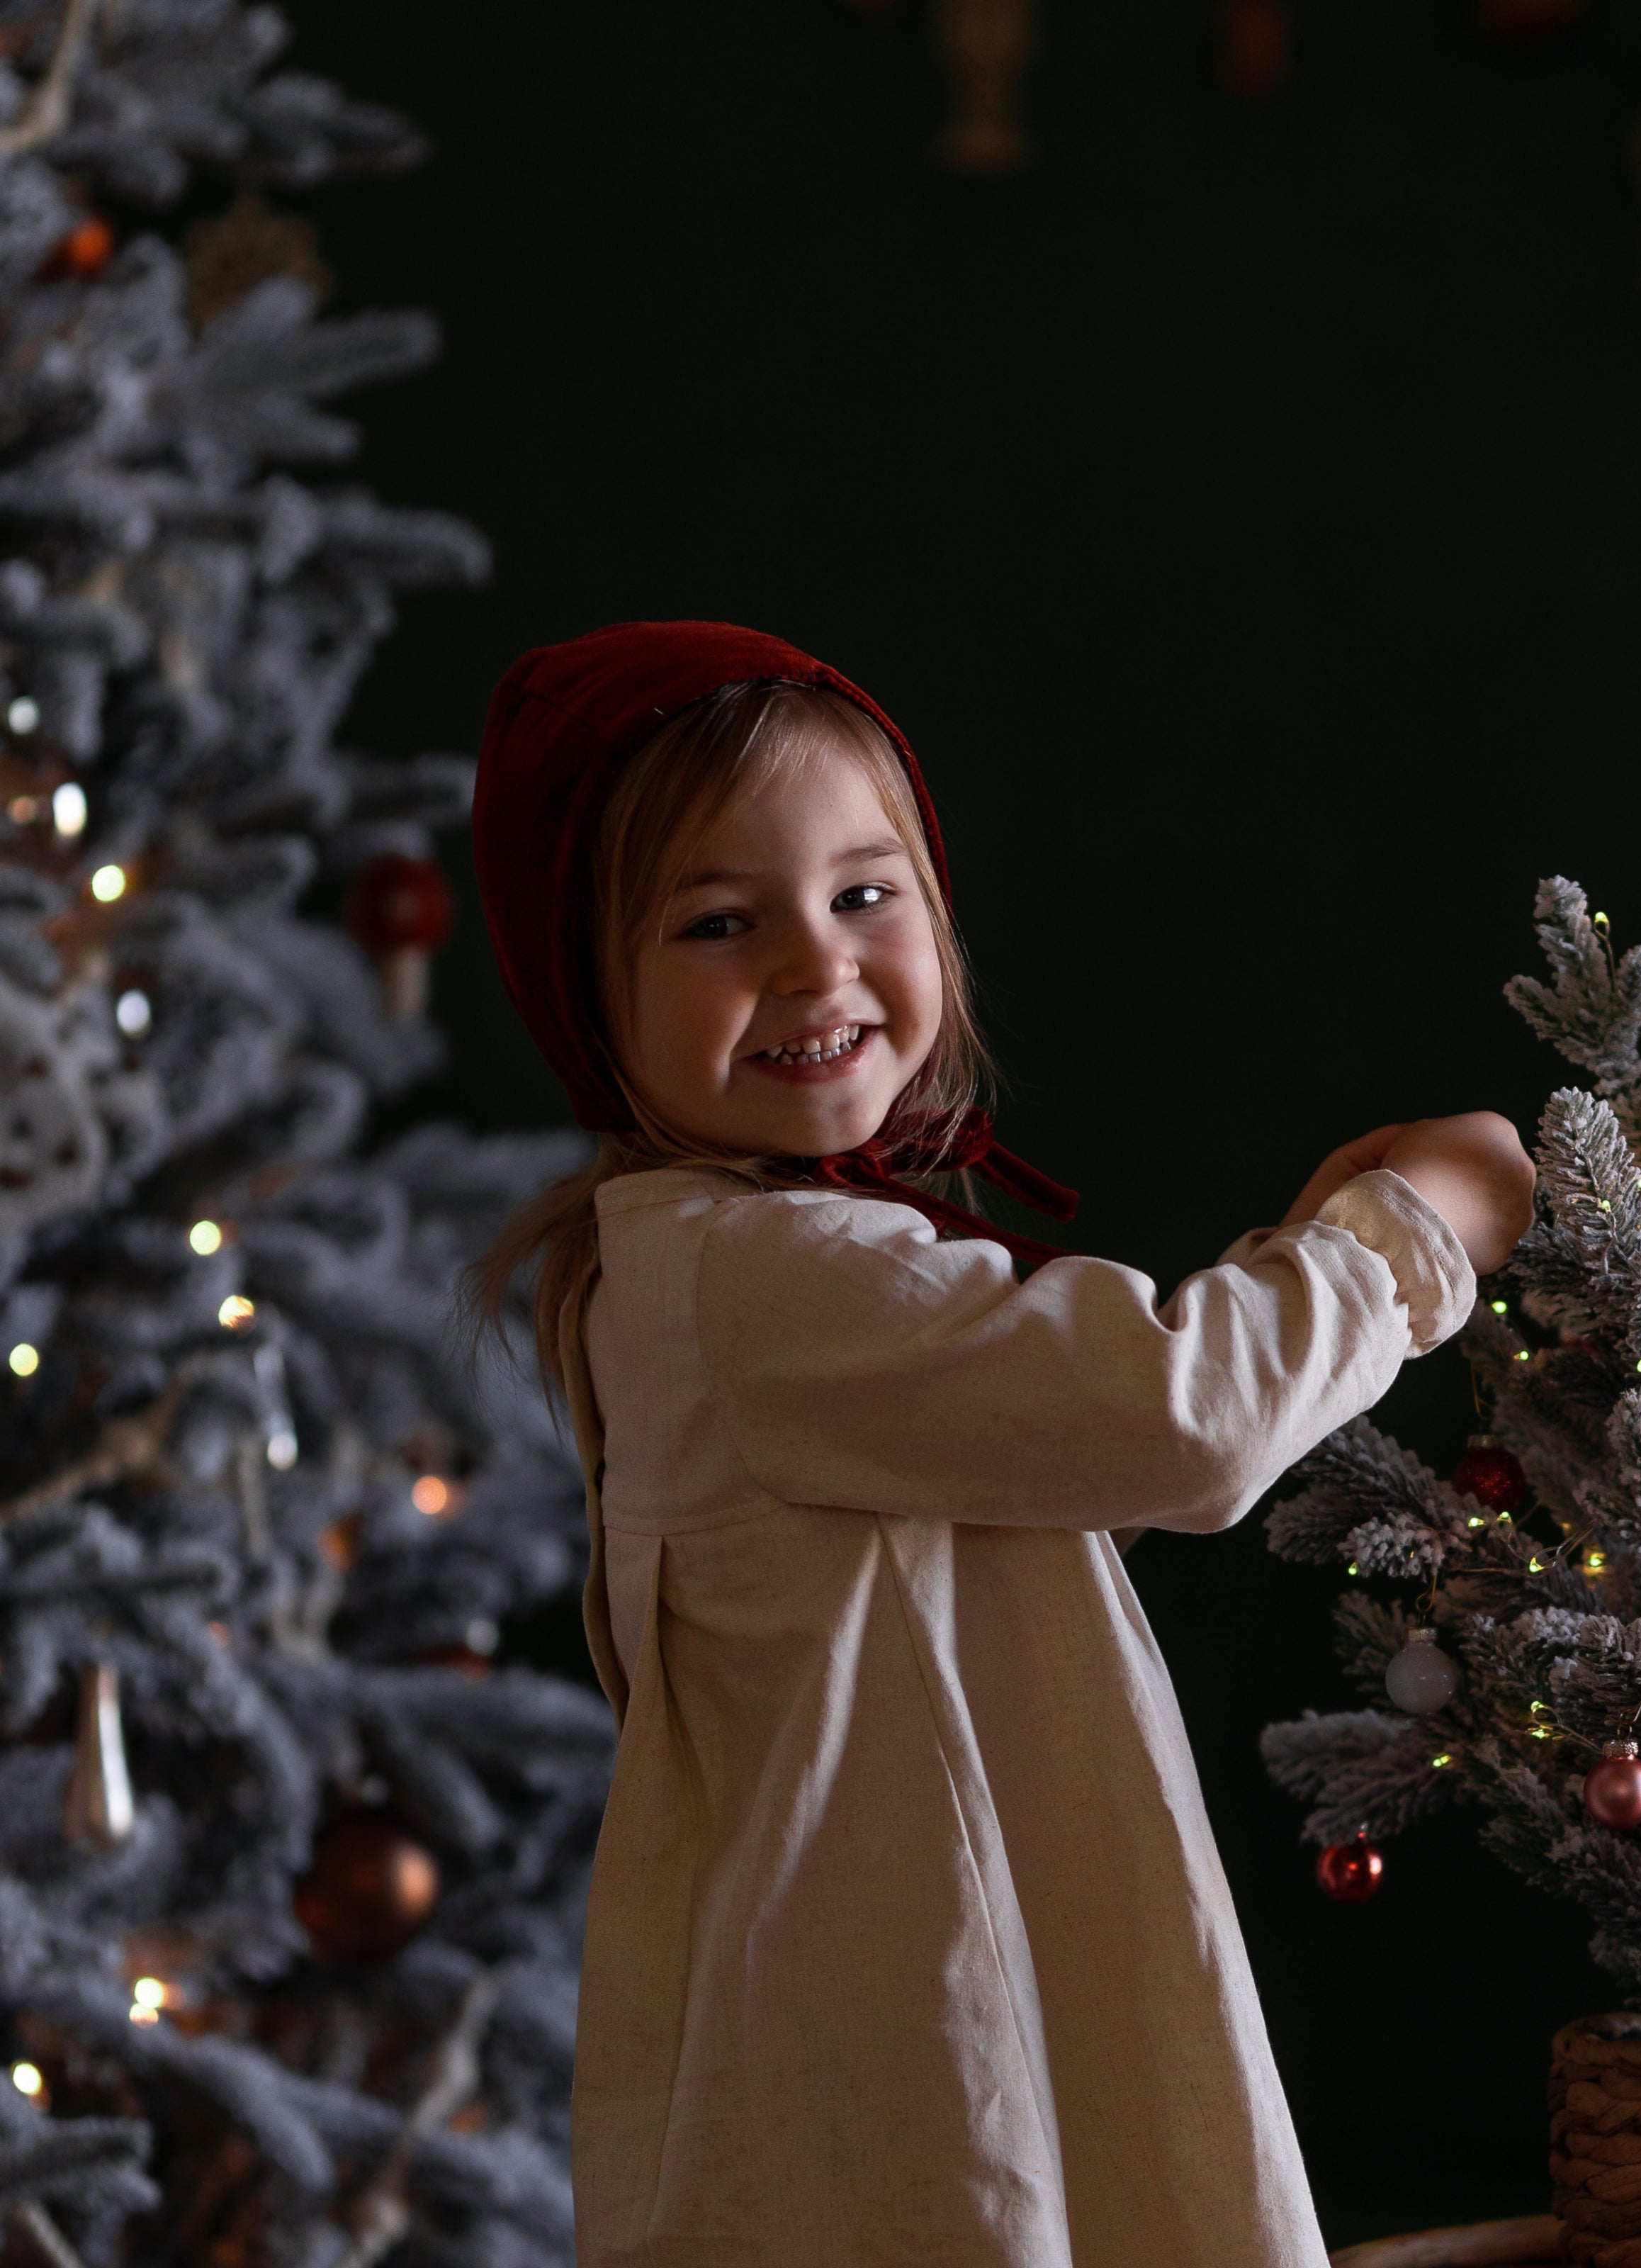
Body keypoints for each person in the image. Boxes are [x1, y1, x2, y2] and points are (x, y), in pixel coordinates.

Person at [470, 622, 1535, 2268]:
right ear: (584, 988)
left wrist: (1305, 1246)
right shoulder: (764, 1278)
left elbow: (1079, 1397)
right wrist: (1419, 1233)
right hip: (901, 2060)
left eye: (863, 892)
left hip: (921, 2004)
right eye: (716, 921)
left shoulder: (754, 1263)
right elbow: (1182, 1417)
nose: (817, 967)